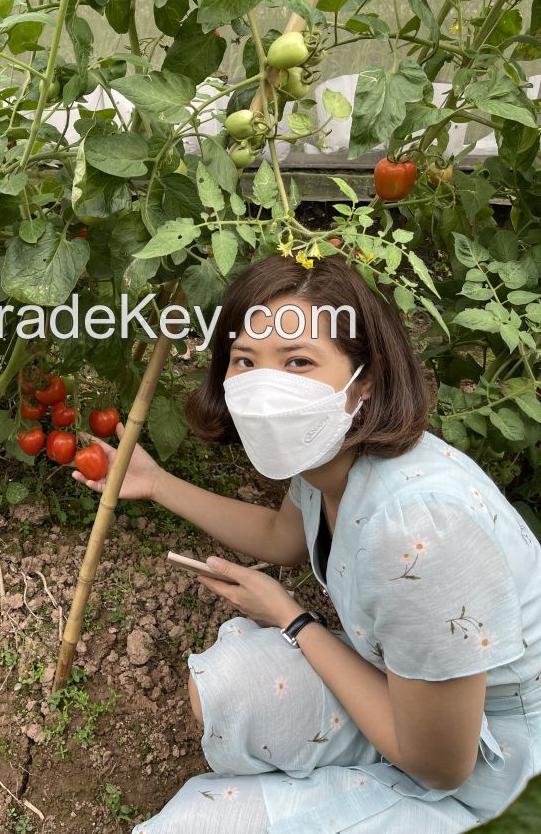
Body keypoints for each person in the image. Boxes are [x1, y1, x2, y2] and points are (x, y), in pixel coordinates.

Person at [70, 255, 541, 833]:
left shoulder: (420, 529)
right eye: (246, 361)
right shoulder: (330, 456)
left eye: (298, 361)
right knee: (226, 688)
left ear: (362, 381)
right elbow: (281, 537)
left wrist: (292, 619)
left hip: (492, 774)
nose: (268, 389)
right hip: (414, 699)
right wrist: (158, 484)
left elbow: (441, 767)